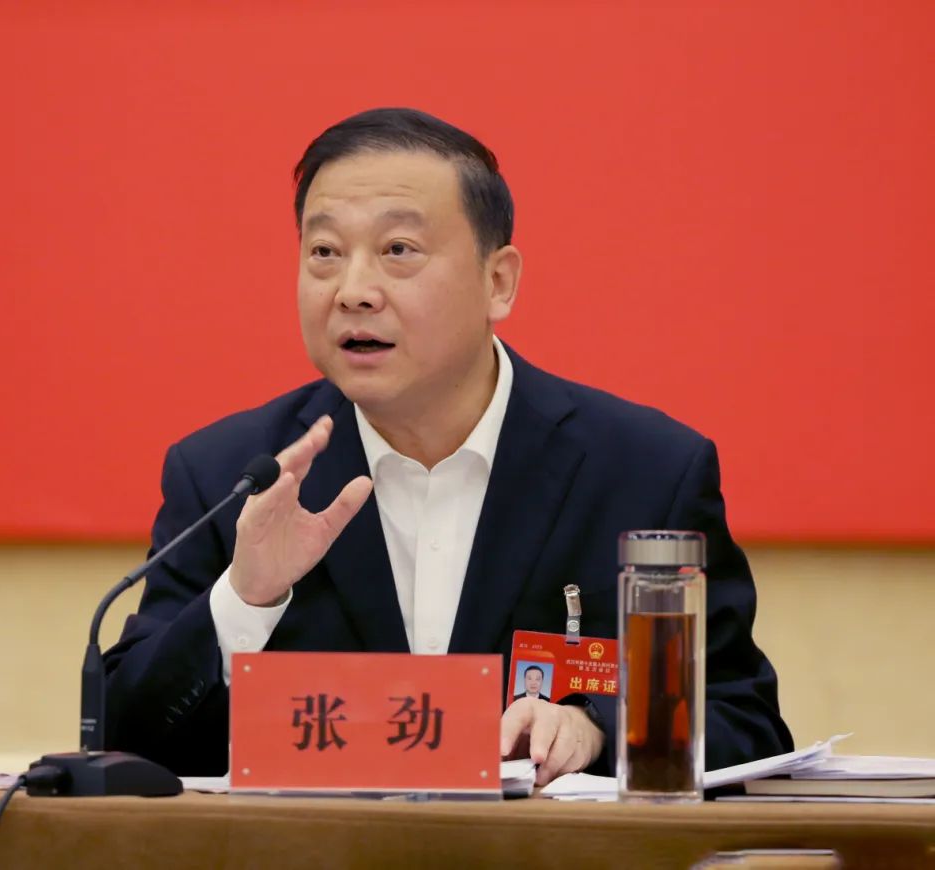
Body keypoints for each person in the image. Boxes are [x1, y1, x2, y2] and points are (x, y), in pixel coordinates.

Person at [104, 107, 793, 786]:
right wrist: (246, 599)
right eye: (325, 253)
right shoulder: (234, 478)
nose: (353, 291)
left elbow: (745, 721)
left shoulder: (645, 473)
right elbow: (124, 740)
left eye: (398, 250)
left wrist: (601, 729)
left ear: (498, 282)